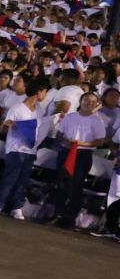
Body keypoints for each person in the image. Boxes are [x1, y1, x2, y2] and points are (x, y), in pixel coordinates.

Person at [0, 73, 50, 219]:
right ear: (38, 92)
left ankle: (16, 207)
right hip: (15, 149)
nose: (45, 95)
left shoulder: (40, 111)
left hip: (30, 150)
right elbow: (2, 130)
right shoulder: (17, 108)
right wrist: (7, 125)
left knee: (23, 180)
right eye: (44, 92)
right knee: (10, 178)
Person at [51, 91, 106, 228]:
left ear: (96, 104)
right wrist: (64, 142)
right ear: (80, 101)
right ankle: (57, 213)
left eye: (93, 102)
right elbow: (60, 134)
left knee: (76, 185)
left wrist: (80, 143)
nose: (89, 103)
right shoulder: (70, 117)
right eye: (86, 100)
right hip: (66, 152)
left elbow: (99, 142)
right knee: (61, 182)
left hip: (82, 155)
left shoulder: (97, 121)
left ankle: (70, 217)